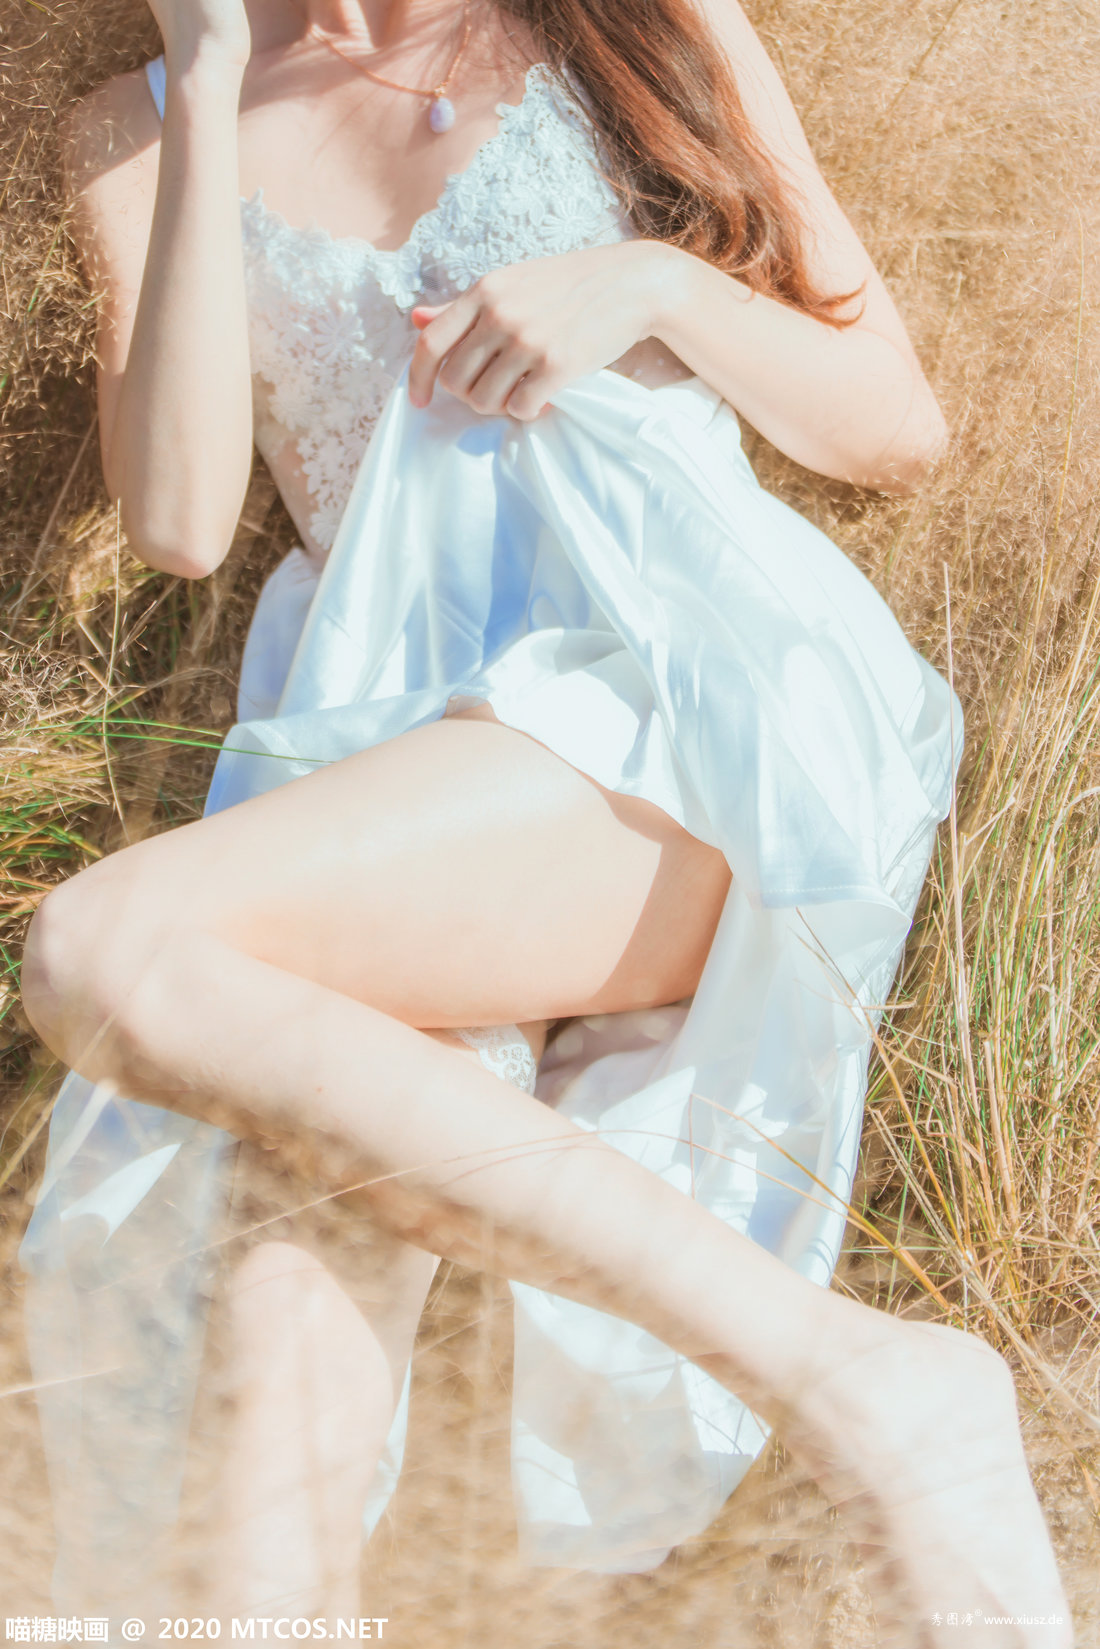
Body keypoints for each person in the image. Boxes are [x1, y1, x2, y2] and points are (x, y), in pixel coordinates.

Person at [14, 0, 1072, 1640]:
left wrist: (650, 286)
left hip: (681, 702)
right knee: (273, 1393)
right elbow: (180, 518)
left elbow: (894, 424)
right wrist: (209, 76)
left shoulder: (627, 20)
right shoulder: (139, 128)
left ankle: (858, 1376)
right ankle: (889, 1420)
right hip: (381, 760)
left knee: (102, 945)